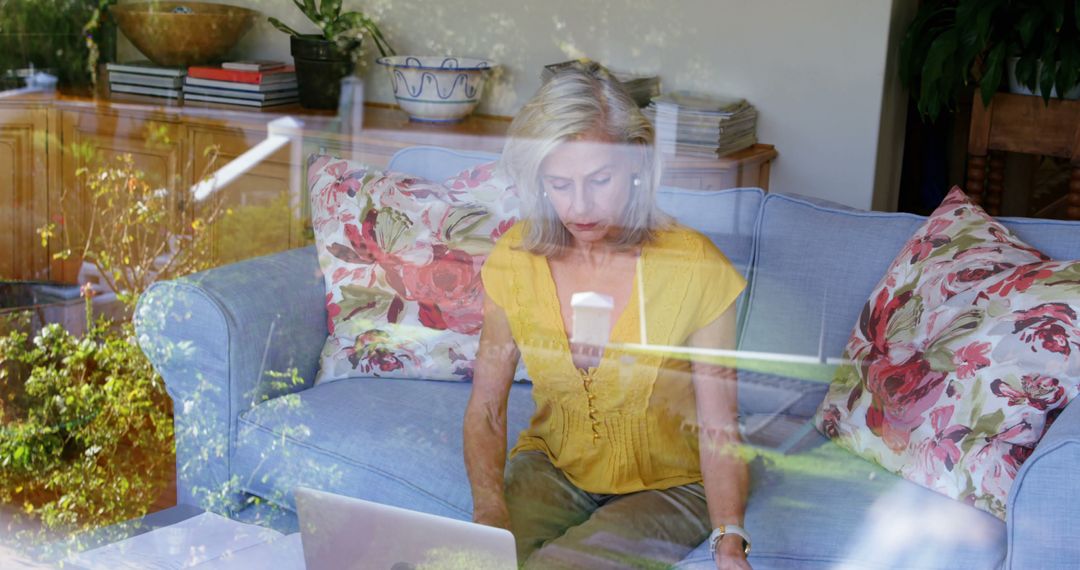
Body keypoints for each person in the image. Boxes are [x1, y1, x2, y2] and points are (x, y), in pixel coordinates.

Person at [463, 62, 751, 570]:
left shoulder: (695, 267)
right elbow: (487, 408)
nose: (580, 207)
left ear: (636, 163)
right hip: (551, 465)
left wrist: (730, 542)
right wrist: (490, 511)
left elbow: (719, 426)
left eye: (600, 179)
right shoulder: (514, 260)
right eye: (559, 183)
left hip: (672, 486)